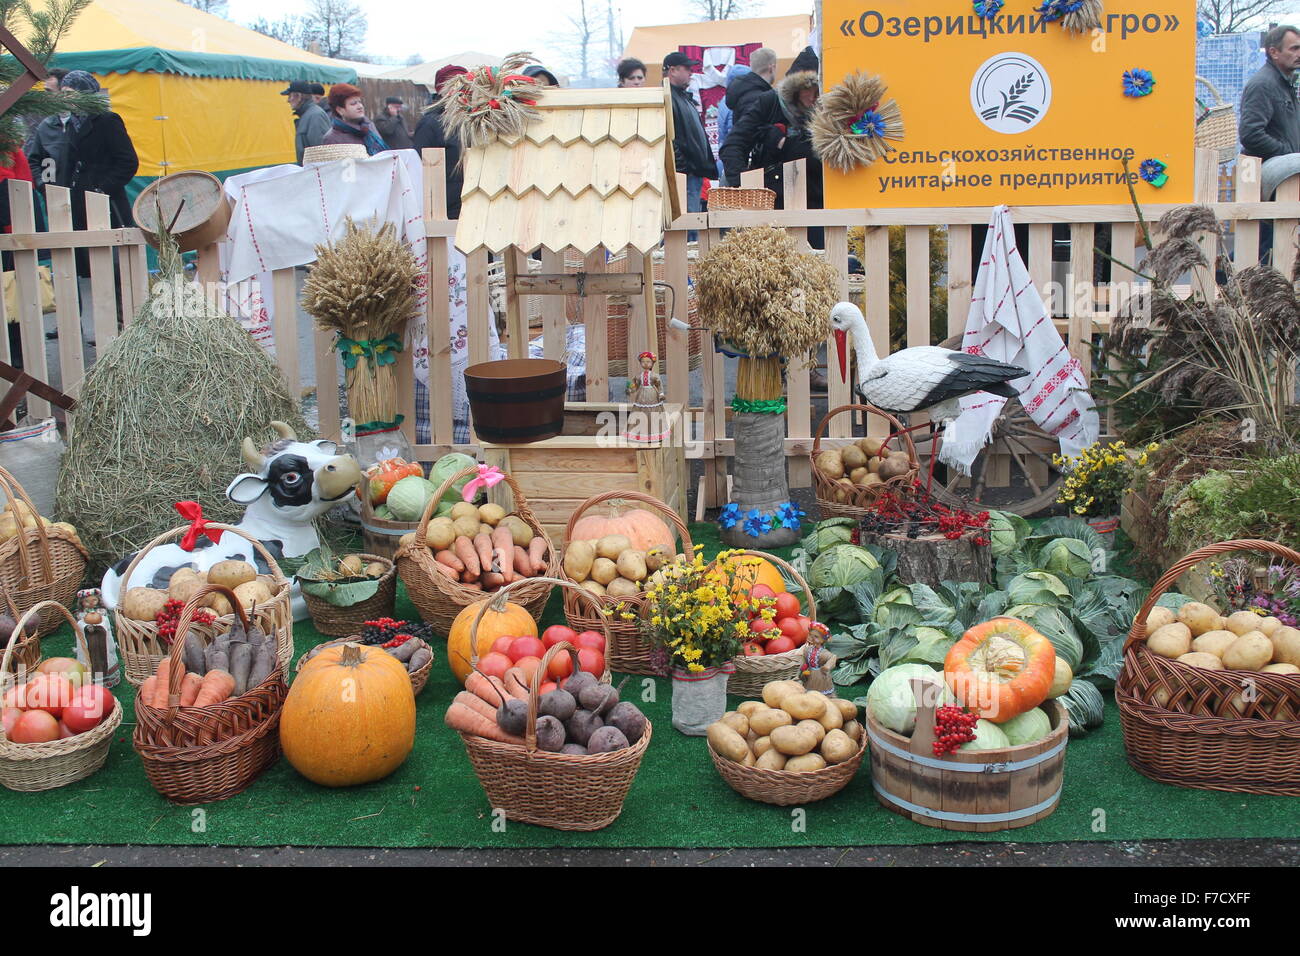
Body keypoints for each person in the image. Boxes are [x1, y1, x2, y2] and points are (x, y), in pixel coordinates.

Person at [1239, 24, 1300, 262]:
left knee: (1267, 243)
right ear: (1274, 52)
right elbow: (1251, 133)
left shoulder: (1284, 83)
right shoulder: (1263, 84)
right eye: (1294, 49)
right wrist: (1288, 155)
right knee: (1264, 246)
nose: (1299, 54)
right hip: (1272, 180)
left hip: (1284, 179)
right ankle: (1226, 282)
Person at [718, 47, 779, 187]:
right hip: (748, 169)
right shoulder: (759, 98)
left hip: (736, 166)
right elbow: (746, 137)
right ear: (772, 67)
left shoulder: (741, 93)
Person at [413, 65, 468, 218]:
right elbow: (417, 168)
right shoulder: (430, 123)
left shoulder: (474, 122)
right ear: (441, 90)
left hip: (471, 206)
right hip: (444, 210)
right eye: (455, 85)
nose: (462, 91)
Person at [665, 51, 715, 213]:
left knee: (690, 227)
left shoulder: (681, 97)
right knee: (686, 228)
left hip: (691, 173)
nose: (691, 72)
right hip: (685, 175)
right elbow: (668, 138)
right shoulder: (668, 98)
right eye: (686, 68)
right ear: (672, 70)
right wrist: (683, 168)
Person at [322, 82, 388, 155]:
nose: (360, 106)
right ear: (340, 110)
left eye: (360, 102)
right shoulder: (332, 138)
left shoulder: (369, 127)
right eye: (353, 103)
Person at [282, 79, 330, 163]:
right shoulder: (307, 115)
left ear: (299, 96)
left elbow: (321, 153)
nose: (288, 100)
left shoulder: (315, 116)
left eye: (290, 96)